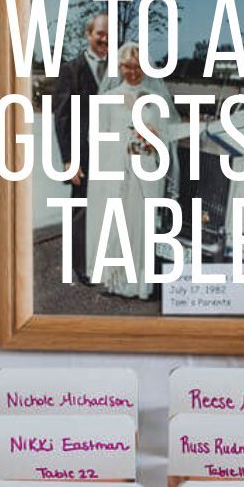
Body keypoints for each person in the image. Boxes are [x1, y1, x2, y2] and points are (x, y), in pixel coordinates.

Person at [86, 42, 180, 300]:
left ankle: (140, 283)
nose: (133, 71)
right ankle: (115, 280)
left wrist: (152, 139)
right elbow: (97, 138)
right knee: (118, 224)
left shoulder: (155, 99)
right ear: (119, 67)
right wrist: (122, 145)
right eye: (127, 66)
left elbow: (166, 136)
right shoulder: (107, 98)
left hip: (146, 170)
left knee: (140, 224)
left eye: (137, 66)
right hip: (116, 171)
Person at [53, 13, 108, 283]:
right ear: (89, 35)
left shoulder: (119, 70)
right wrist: (68, 160)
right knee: (82, 211)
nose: (105, 38)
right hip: (82, 155)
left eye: (109, 33)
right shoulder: (71, 70)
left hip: (112, 154)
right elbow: (62, 117)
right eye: (100, 33)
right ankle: (81, 267)